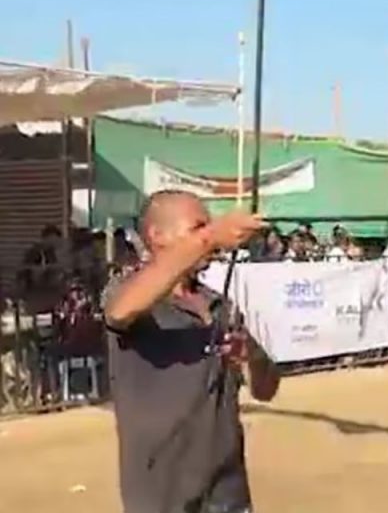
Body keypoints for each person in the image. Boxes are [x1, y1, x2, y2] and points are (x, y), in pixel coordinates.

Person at [102, 190, 280, 513]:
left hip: (228, 491)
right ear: (157, 236)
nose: (207, 236)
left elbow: (267, 390)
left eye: (207, 226)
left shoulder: (218, 303)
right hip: (162, 495)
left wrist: (252, 356)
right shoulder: (127, 291)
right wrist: (212, 236)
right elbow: (120, 311)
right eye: (197, 227)